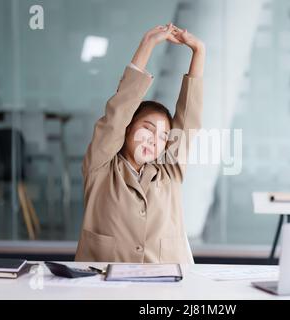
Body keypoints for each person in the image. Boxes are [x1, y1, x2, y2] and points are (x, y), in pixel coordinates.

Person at [75, 23, 205, 264]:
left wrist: (199, 51)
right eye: (147, 129)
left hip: (164, 289)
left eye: (163, 136)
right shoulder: (101, 167)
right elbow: (119, 110)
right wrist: (148, 43)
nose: (154, 141)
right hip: (104, 285)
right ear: (128, 128)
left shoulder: (169, 171)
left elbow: (188, 120)